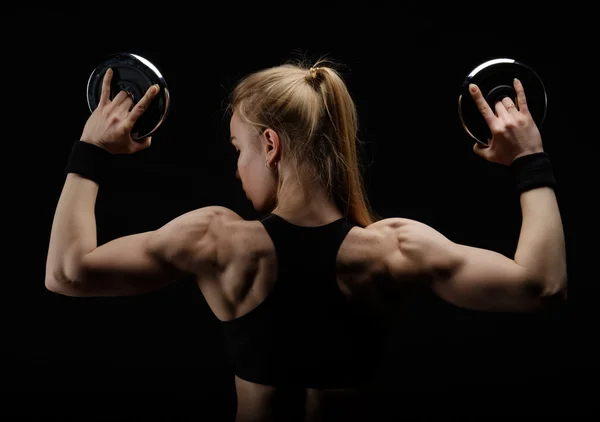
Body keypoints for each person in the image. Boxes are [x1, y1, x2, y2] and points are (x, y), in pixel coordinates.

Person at [45, 58, 567, 422]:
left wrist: (91, 150)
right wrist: (529, 159)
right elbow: (542, 287)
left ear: (270, 145)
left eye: (238, 149)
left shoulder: (217, 241)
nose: (237, 169)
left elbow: (67, 273)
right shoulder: (395, 250)